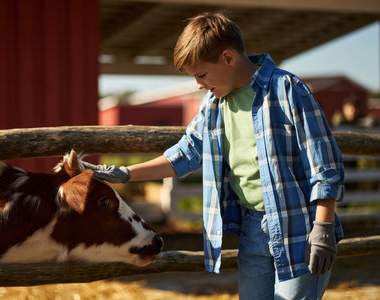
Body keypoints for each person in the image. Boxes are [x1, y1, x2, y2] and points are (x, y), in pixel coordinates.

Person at [84, 12, 345, 300]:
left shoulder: (287, 90)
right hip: (253, 229)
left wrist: (323, 228)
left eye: (201, 74)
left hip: (300, 229)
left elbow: (325, 166)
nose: (198, 84)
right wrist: (125, 173)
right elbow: (186, 153)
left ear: (228, 59)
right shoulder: (213, 105)